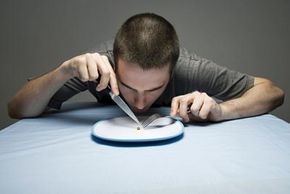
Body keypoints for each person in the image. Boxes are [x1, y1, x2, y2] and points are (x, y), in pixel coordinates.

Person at [8, 13, 284, 122]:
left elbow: (272, 92)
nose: (140, 103)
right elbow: (17, 109)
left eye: (155, 88)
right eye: (128, 87)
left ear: (173, 70)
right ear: (114, 65)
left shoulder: (189, 69)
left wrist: (221, 110)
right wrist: (63, 71)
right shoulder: (98, 67)